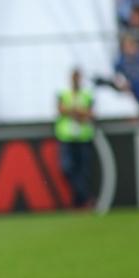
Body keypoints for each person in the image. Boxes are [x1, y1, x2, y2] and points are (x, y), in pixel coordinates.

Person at [55, 69, 95, 209]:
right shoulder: (63, 93)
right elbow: (60, 110)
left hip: (83, 137)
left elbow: (91, 114)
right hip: (66, 137)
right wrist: (78, 112)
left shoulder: (87, 94)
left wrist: (73, 111)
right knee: (67, 169)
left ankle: (79, 202)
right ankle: (85, 198)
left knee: (83, 171)